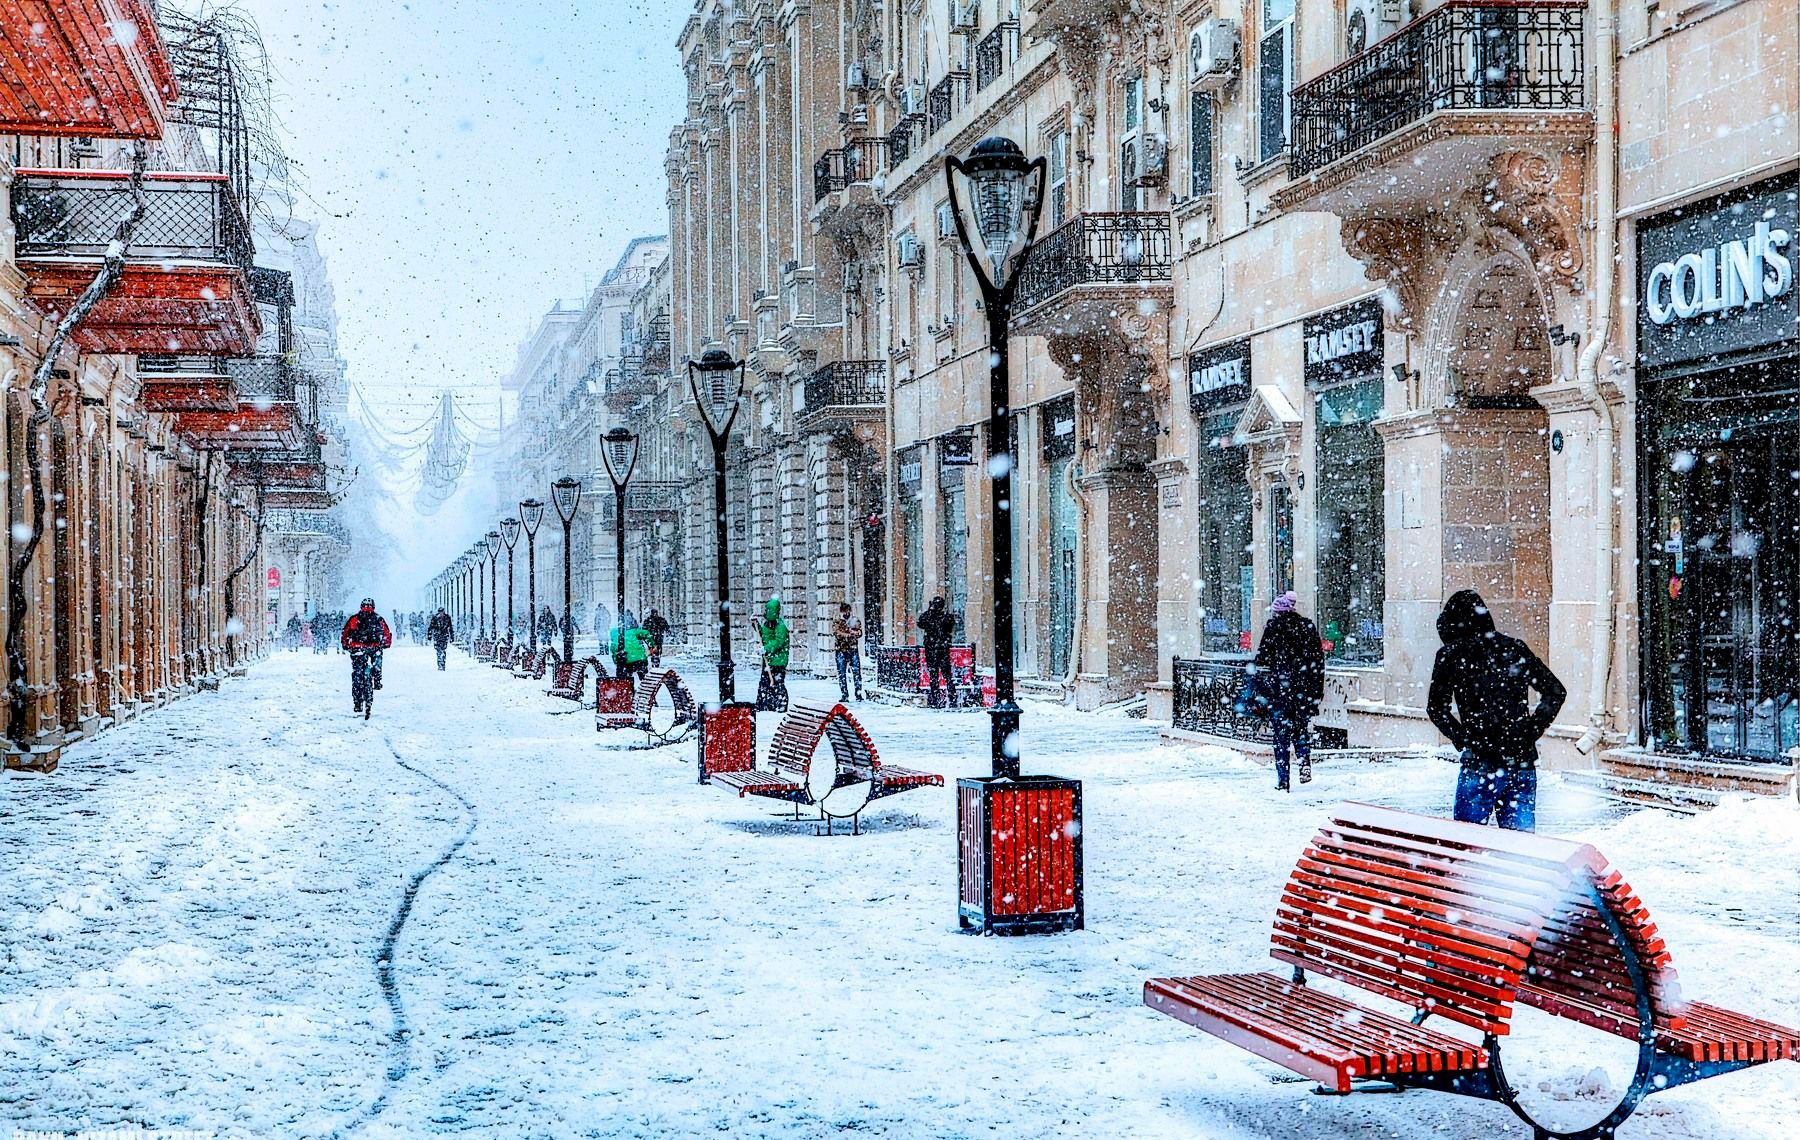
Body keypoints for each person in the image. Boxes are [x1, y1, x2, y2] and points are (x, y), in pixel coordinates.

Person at [1428, 589, 1567, 833]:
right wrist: (1530, 730)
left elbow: (1436, 708)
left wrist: (1464, 739)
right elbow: (1555, 691)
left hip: (1480, 762)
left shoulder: (1451, 655)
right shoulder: (1513, 648)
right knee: (1520, 850)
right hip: (1520, 760)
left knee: (1467, 845)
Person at [1250, 591, 1325, 792]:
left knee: (1281, 736)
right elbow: (1318, 661)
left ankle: (1283, 780)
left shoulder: (1273, 628)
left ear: (1277, 612)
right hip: (1303, 690)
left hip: (1280, 691)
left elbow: (1262, 659)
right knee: (1300, 730)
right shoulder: (1307, 626)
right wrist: (1316, 692)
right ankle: (1304, 762)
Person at [340, 599, 394, 715]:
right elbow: (386, 633)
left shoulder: (354, 619)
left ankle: (357, 702)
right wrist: (385, 644)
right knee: (377, 663)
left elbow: (345, 633)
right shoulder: (378, 619)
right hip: (374, 648)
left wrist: (346, 645)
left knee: (357, 675)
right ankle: (377, 679)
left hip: (357, 649)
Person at [917, 596, 957, 708]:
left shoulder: (939, 617)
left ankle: (937, 699)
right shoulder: (944, 617)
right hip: (939, 649)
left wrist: (930, 611)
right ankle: (948, 698)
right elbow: (920, 623)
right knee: (945, 676)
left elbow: (921, 622)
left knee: (936, 676)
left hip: (935, 649)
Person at [753, 596, 791, 712]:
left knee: (777, 683)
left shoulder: (781, 627)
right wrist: (756, 625)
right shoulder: (767, 624)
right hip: (768, 660)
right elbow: (764, 635)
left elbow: (779, 642)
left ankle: (780, 704)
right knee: (765, 684)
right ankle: (764, 705)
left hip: (778, 661)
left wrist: (766, 648)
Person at [832, 603, 866, 702]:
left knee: (856, 672)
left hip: (852, 649)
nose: (846, 613)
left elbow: (859, 633)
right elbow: (836, 633)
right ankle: (844, 694)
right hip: (841, 649)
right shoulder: (838, 621)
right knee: (842, 673)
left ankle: (858, 694)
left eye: (847, 611)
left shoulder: (854, 620)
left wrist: (853, 632)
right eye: (844, 611)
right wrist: (848, 634)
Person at [610, 610, 652, 684]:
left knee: (624, 676)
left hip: (625, 661)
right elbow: (646, 634)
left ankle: (627, 688)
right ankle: (644, 682)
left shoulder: (616, 634)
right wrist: (652, 646)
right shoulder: (634, 630)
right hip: (639, 659)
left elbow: (613, 650)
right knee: (643, 675)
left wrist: (616, 661)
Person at [427, 607, 454, 671]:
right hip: (437, 636)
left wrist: (452, 637)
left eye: (442, 612)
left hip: (444, 636)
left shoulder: (447, 618)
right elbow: (430, 627)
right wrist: (429, 636)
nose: (441, 614)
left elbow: (450, 628)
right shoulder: (435, 618)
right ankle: (439, 664)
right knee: (438, 650)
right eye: (440, 612)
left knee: (443, 650)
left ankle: (443, 663)